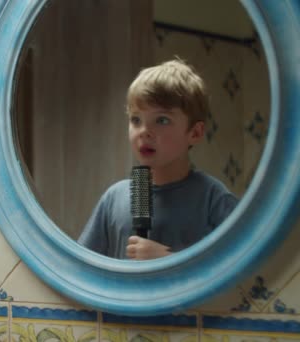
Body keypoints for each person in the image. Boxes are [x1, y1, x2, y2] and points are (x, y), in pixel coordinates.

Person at [78, 59, 238, 260]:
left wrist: (169, 258)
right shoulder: (114, 199)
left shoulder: (214, 200)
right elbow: (82, 269)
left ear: (195, 133)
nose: (144, 132)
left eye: (162, 120)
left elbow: (239, 267)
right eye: (136, 120)